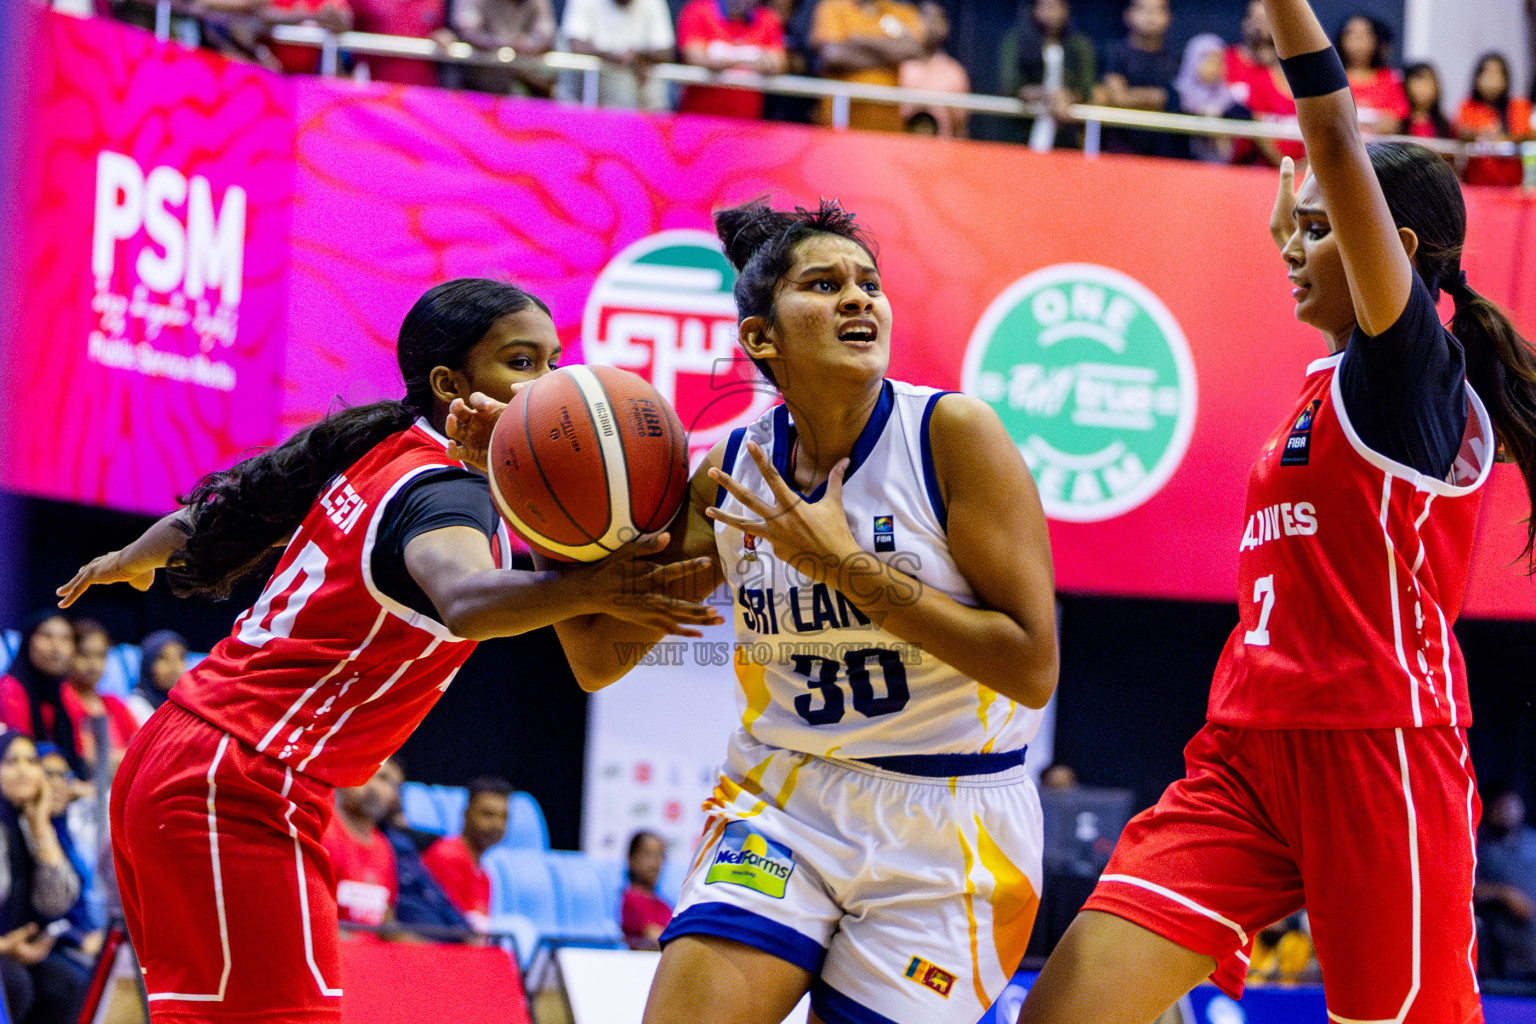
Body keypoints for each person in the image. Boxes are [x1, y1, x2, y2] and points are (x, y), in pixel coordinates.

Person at [1016, 0, 1536, 1019]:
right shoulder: (1324, 378)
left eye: (1317, 230)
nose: (1293, 251)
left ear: (1396, 243)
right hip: (1247, 753)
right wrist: (1295, 209)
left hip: (1378, 749)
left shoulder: (1407, 374)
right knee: (1066, 1007)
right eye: (1292, 230)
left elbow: (1334, 135)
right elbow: (1315, 192)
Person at [450, 198, 1060, 1024]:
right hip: (783, 799)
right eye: (824, 283)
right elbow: (599, 656)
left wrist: (843, 566)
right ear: (760, 340)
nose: (859, 299)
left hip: (949, 825)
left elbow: (1030, 667)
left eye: (868, 283)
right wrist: (532, 502)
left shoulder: (952, 436)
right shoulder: (731, 471)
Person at [57, 277, 717, 1023]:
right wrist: (595, 587)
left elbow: (230, 506)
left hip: (203, 762)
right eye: (523, 363)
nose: (552, 383)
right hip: (238, 779)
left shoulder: (388, 450)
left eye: (555, 361)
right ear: (450, 385)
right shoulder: (446, 492)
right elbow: (465, 601)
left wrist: (131, 556)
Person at [0, 733, 87, 1024]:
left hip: (18, 950)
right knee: (14, 984)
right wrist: (5, 947)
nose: (25, 769)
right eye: (12, 761)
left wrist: (40, 825)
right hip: (5, 950)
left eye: (32, 761)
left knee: (67, 983)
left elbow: (56, 903)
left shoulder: (27, 823)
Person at [373, 759, 471, 932]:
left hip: (442, 935)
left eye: (398, 788)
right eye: (383, 779)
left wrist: (465, 931)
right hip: (414, 939)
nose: (394, 794)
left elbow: (437, 897)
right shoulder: (381, 844)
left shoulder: (403, 841)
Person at [809, 0, 926, 133]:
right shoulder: (833, 7)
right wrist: (891, 56)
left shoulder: (902, 12)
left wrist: (856, 41)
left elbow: (914, 50)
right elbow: (834, 56)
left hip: (890, 128)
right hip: (841, 124)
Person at [998, 0, 1096, 152]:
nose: (1052, 12)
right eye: (1045, 6)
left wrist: (1065, 98)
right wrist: (1050, 95)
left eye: (1058, 6)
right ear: (1033, 9)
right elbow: (1012, 85)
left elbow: (1085, 90)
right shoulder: (1015, 40)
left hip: (1065, 132)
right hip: (1022, 127)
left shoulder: (1079, 45)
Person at [1095, 0, 1186, 159]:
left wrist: (1137, 97)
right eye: (1143, 10)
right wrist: (1156, 98)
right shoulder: (1114, 53)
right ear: (1128, 15)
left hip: (1166, 156)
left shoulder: (1178, 60)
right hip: (1120, 152)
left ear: (1169, 17)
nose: (1150, 17)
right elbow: (1119, 99)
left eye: (1157, 11)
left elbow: (1180, 102)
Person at [0, 615, 87, 780]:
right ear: (28, 641)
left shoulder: (66, 691)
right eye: (47, 636)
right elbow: (20, 750)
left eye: (65, 638)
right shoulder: (9, 688)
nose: (57, 646)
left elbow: (79, 751)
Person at [421, 776, 509, 931]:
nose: (497, 825)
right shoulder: (446, 857)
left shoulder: (485, 876)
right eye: (488, 814)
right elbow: (447, 930)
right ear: (466, 813)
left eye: (504, 817)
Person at [676, 0, 788, 121]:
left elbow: (777, 64)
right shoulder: (698, 10)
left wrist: (720, 58)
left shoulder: (767, 19)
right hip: (698, 120)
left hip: (748, 123)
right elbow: (694, 57)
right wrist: (750, 57)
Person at [559, 0, 677, 112]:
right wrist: (614, 56)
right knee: (621, 87)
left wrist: (639, 55)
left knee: (655, 94)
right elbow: (577, 45)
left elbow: (666, 51)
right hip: (591, 78)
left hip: (640, 75)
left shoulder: (653, 3)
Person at [323, 766, 399, 931]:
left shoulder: (384, 847)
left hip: (371, 953)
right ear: (342, 781)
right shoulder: (323, 833)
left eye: (385, 780)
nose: (374, 786)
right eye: (366, 773)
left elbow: (386, 919)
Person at [1224, 0, 1299, 166]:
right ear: (1244, 22)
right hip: (1235, 160)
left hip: (1276, 163)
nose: (1259, 27)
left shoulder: (1282, 71)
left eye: (1266, 19)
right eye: (1255, 19)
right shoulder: (1226, 60)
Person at [61, 620, 139, 778]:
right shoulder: (62, 697)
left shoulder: (114, 703)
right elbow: (83, 758)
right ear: (70, 653)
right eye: (84, 654)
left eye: (100, 655)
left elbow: (141, 749)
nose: (93, 663)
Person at [1477, 785, 1536, 979]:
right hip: (1504, 956)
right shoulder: (1481, 846)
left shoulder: (1531, 841)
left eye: (1512, 804)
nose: (1507, 811)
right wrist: (1505, 893)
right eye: (1500, 806)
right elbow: (1468, 888)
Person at [1457, 52, 1534, 188]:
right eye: (1486, 73)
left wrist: (1503, 139)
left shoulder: (1518, 105)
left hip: (1511, 186)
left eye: (1496, 74)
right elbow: (1461, 131)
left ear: (1506, 78)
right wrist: (1478, 134)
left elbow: (1528, 134)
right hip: (1476, 185)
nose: (1491, 79)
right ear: (1477, 77)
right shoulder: (1468, 106)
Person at [449, 0, 556, 96]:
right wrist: (504, 44)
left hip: (524, 88)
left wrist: (518, 45)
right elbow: (468, 33)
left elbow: (546, 39)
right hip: (474, 88)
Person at [897, 2, 969, 138]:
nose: (931, 25)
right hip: (902, 150)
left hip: (941, 151)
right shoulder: (902, 66)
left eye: (937, 19)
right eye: (926, 18)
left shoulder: (954, 72)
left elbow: (960, 127)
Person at [1175, 33, 1248, 163]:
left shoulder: (1233, 104)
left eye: (1219, 60)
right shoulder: (1176, 98)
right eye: (1208, 60)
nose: (1215, 66)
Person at [1334, 13, 1407, 134]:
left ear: (1375, 40)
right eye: (1351, 34)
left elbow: (1395, 122)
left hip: (1380, 148)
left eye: (1364, 35)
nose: (1358, 41)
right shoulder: (1333, 78)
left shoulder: (1390, 78)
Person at [125, 629, 187, 726]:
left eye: (180, 658)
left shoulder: (186, 706)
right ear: (148, 664)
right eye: (163, 658)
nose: (174, 667)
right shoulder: (136, 705)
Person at [621, 830, 671, 950]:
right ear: (631, 859)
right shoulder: (631, 900)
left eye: (660, 856)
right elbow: (656, 937)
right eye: (648, 855)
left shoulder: (663, 905)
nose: (655, 864)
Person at [1401, 61, 1453, 141]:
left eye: (1427, 82)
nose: (1422, 88)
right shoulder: (1399, 123)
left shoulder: (1445, 126)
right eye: (1417, 82)